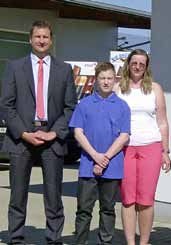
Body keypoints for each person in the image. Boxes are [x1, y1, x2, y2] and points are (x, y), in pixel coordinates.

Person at [0, 20, 77, 244]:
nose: (41, 40)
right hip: (21, 139)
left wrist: (54, 133)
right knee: (18, 194)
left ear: (51, 40)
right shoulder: (14, 67)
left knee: (53, 194)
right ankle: (16, 238)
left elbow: (70, 106)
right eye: (37, 36)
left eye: (45, 37)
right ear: (30, 39)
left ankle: (53, 238)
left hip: (52, 139)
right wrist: (24, 133)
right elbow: (6, 105)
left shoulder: (64, 69)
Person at [115, 49, 171, 245]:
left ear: (146, 67)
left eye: (142, 63)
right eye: (134, 62)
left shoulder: (155, 89)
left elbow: (163, 121)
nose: (137, 66)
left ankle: (144, 241)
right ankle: (130, 242)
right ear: (128, 64)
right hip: (125, 148)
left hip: (151, 146)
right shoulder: (118, 88)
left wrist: (165, 151)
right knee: (128, 199)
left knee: (146, 199)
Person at [70, 62, 130, 244]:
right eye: (102, 78)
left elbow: (124, 136)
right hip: (88, 165)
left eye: (109, 78)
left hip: (112, 166)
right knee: (83, 209)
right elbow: (77, 132)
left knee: (108, 209)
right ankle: (80, 241)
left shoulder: (122, 106)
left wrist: (105, 158)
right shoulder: (84, 105)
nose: (106, 82)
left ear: (115, 80)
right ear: (96, 79)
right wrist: (95, 156)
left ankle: (106, 241)